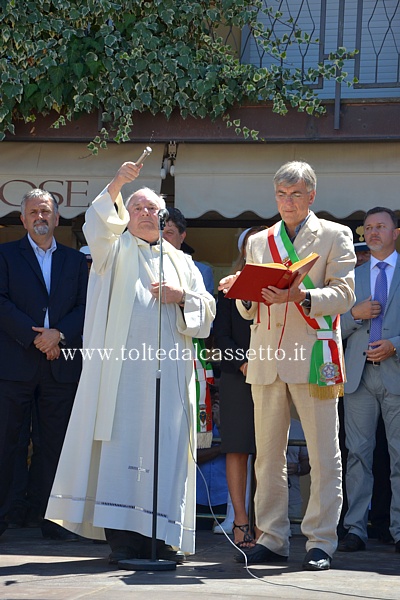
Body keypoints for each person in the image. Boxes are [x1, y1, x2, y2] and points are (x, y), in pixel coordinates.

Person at [45, 162, 215, 564]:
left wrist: (182, 298)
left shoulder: (182, 261)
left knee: (168, 452)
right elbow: (96, 222)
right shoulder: (112, 249)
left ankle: (164, 538)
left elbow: (206, 310)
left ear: (164, 218)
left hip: (170, 375)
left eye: (152, 209)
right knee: (121, 452)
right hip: (122, 377)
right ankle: (125, 543)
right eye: (135, 207)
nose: (144, 213)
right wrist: (120, 182)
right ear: (126, 213)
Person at [219, 160, 356, 570]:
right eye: (281, 194)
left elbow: (346, 295)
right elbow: (249, 311)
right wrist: (239, 292)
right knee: (267, 456)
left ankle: (321, 541)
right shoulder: (259, 241)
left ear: (312, 195)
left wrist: (301, 297)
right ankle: (273, 537)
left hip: (313, 354)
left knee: (323, 454)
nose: (288, 202)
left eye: (296, 194)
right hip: (265, 358)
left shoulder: (336, 234)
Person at [0, 189, 88, 539]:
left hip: (60, 364)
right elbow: (1, 302)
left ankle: (51, 519)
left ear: (57, 218)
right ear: (22, 219)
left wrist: (59, 335)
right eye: (34, 211)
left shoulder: (75, 261)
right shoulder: (5, 255)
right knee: (8, 442)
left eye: (47, 211)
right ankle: (5, 516)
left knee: (55, 444)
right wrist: (36, 336)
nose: (41, 217)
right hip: (15, 363)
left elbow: (85, 307)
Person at [338, 207, 400, 553]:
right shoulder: (352, 278)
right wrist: (353, 314)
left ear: (396, 233)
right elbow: (330, 327)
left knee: (399, 457)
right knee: (357, 456)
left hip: (396, 375)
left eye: (381, 227)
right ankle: (355, 529)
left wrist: (395, 345)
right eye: (368, 228)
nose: (373, 232)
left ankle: (398, 528)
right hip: (358, 379)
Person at [213, 226, 266, 548]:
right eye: (251, 245)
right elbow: (220, 336)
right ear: (244, 250)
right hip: (237, 376)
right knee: (237, 448)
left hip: (274, 376)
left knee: (269, 454)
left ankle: (265, 523)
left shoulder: (281, 286)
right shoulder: (227, 288)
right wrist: (242, 363)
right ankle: (241, 523)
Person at [163, 207, 214, 295]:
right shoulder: (142, 264)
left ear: (182, 237)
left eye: (169, 233)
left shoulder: (201, 271)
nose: (162, 238)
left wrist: (181, 297)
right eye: (159, 232)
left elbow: (205, 307)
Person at [287, 418, 310, 535]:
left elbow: (307, 462)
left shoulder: (298, 427)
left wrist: (297, 468)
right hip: (266, 500)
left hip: (292, 500)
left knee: (296, 543)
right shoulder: (260, 423)